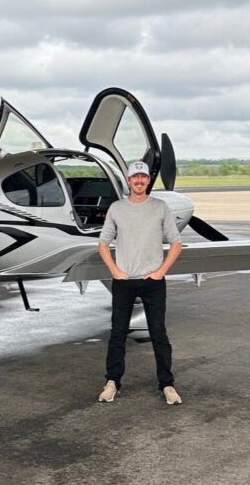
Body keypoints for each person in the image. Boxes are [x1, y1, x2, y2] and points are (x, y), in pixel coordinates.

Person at [97, 160, 184, 405]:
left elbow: (176, 243)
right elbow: (103, 243)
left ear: (147, 180)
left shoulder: (160, 207)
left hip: (152, 281)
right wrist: (114, 270)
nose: (139, 181)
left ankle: (167, 384)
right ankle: (112, 382)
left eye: (143, 177)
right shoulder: (116, 208)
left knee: (159, 334)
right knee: (117, 335)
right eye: (134, 177)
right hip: (124, 281)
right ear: (128, 181)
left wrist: (161, 271)